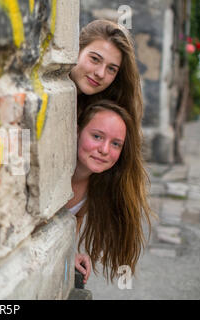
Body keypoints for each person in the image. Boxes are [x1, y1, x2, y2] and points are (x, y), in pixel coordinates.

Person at [65, 100, 155, 285]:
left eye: (116, 144)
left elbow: (76, 218)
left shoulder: (95, 187)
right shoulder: (54, 174)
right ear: (77, 131)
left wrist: (69, 252)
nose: (104, 150)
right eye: (97, 136)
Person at [70, 19, 143, 128]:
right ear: (77, 50)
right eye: (95, 59)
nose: (100, 74)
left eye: (111, 69)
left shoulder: (108, 114)